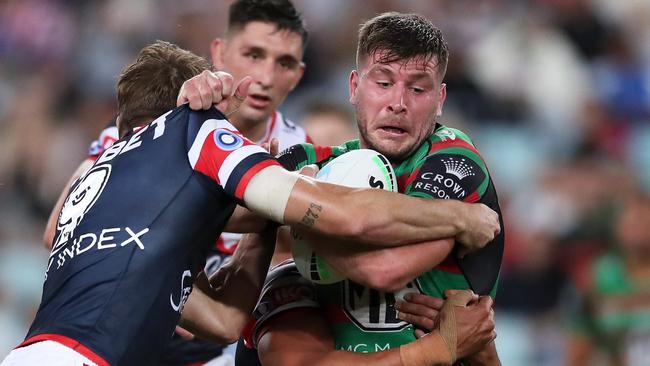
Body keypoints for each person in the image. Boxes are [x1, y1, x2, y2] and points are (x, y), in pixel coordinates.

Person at [2, 40, 499, 366]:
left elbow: (223, 321)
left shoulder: (96, 185)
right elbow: (344, 214)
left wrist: (263, 225)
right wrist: (463, 215)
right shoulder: (194, 134)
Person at [228, 12, 504, 365]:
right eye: (383, 83)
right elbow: (229, 211)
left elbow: (385, 269)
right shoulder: (308, 158)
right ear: (354, 87)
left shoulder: (451, 161)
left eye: (418, 89)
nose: (398, 104)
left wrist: (295, 212)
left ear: (440, 99)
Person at [42, 1, 312, 363]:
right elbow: (60, 226)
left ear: (298, 75)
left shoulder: (297, 148)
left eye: (284, 63)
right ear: (220, 52)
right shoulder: (150, 130)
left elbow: (291, 248)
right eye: (253, 54)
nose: (265, 76)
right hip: (137, 329)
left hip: (221, 342)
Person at [567, 194, 650, 366]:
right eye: (632, 222)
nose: (639, 229)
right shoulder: (596, 275)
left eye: (644, 221)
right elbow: (580, 341)